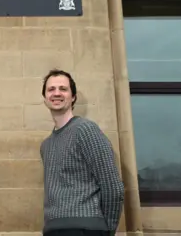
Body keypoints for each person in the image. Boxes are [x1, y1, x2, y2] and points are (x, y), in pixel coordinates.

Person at [40, 69, 124, 236]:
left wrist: (106, 229)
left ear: (73, 97)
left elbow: (113, 187)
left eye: (63, 89)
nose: (56, 93)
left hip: (86, 229)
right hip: (53, 229)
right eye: (51, 89)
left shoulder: (86, 130)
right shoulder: (46, 145)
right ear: (44, 99)